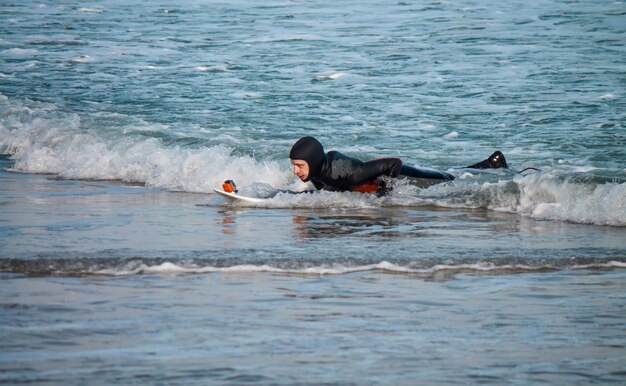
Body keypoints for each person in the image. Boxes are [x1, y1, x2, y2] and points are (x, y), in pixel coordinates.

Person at [289, 136, 508, 195]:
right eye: (294, 165)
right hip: (380, 174)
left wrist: (386, 195)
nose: (295, 171)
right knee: (451, 173)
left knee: (451, 178)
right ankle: (486, 164)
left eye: (299, 165)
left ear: (314, 162)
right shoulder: (316, 173)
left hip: (404, 173)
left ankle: (492, 165)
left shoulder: (347, 173)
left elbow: (394, 163)